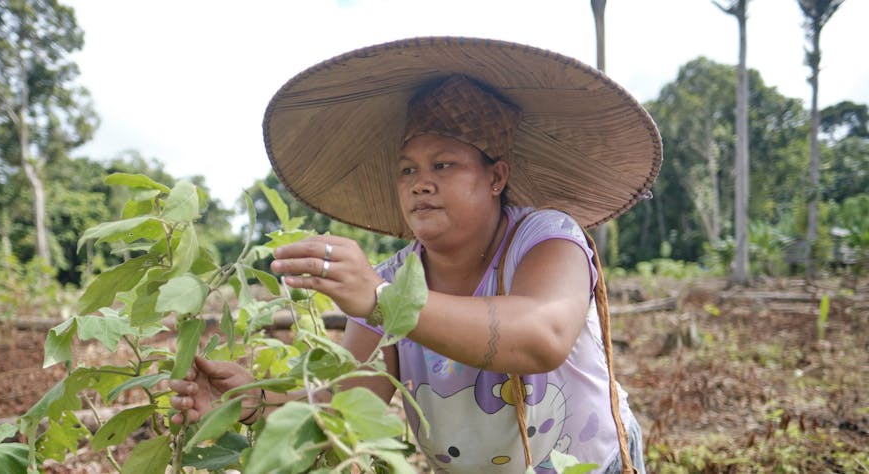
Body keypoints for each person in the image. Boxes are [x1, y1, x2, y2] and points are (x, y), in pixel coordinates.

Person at [171, 37, 661, 473]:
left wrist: (384, 301)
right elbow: (345, 401)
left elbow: (542, 336)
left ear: (496, 177)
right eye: (407, 170)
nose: (420, 183)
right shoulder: (393, 278)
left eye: (443, 165)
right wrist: (255, 400)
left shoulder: (544, 238)